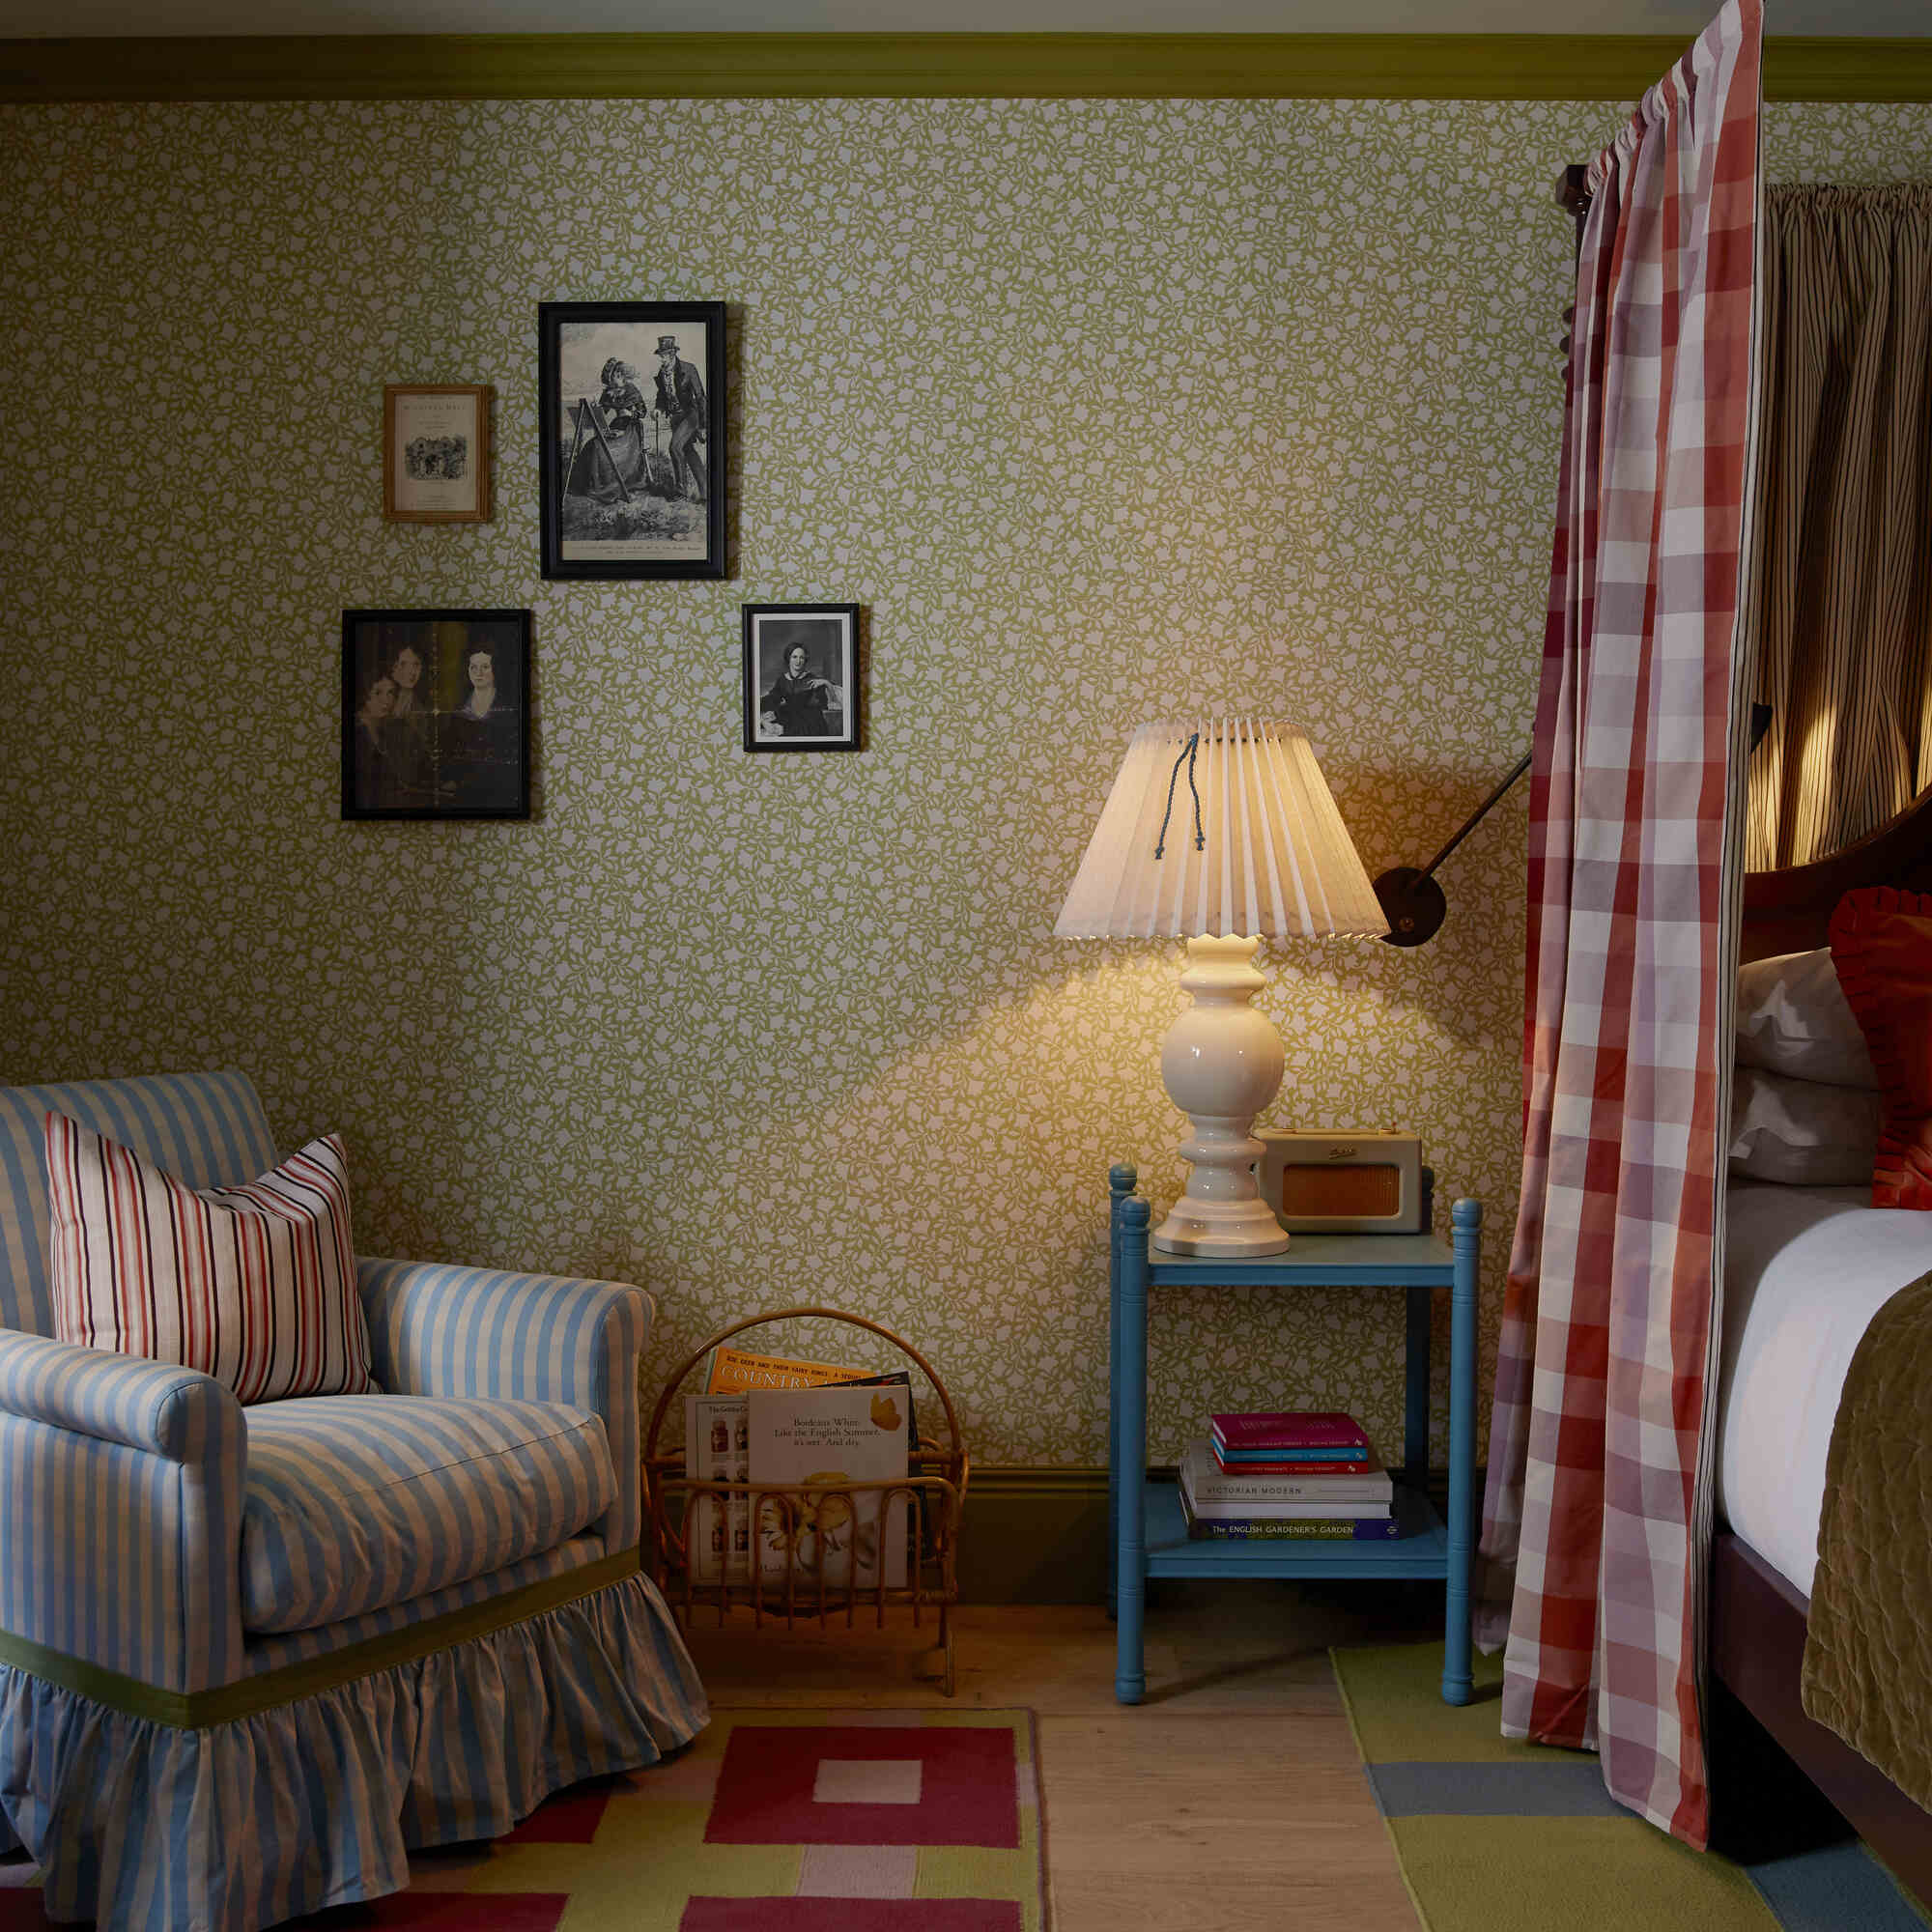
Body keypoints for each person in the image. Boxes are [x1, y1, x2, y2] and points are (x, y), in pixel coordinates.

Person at [652, 334, 708, 503]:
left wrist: (704, 425)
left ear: (671, 354)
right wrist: (658, 409)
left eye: (663, 356)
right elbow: (662, 396)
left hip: (690, 415)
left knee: (675, 447)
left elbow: (701, 397)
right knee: (688, 451)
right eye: (660, 356)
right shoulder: (662, 373)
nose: (661, 360)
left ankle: (681, 492)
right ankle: (706, 492)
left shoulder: (688, 369)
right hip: (675, 418)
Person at [760, 642, 841, 739]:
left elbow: (822, 709)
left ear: (805, 660)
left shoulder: (812, 680)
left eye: (801, 657)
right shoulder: (782, 680)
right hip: (789, 718)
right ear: (788, 659)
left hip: (810, 724)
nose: (798, 661)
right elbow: (773, 698)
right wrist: (763, 714)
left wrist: (827, 683)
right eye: (794, 657)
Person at [352, 673, 408, 809]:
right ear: (364, 694)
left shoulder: (381, 730)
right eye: (378, 692)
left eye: (390, 693)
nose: (386, 700)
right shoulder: (356, 732)